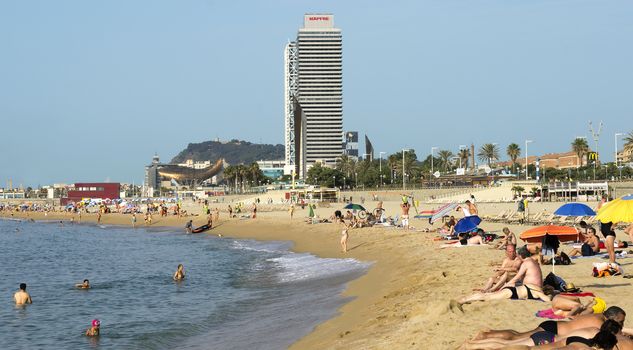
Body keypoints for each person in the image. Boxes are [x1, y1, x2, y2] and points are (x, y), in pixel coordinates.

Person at [469, 306, 626, 342]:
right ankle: (485, 336)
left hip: (553, 326)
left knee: (518, 334)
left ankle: (490, 332)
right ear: (611, 318)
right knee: (515, 339)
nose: (622, 324)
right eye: (620, 321)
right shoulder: (600, 323)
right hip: (553, 330)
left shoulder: (597, 315)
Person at [451, 251, 547, 311]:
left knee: (488, 295)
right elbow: (548, 300)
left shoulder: (528, 264)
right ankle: (463, 300)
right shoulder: (537, 290)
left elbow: (518, 277)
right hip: (514, 291)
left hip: (516, 290)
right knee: (488, 297)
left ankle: (466, 298)